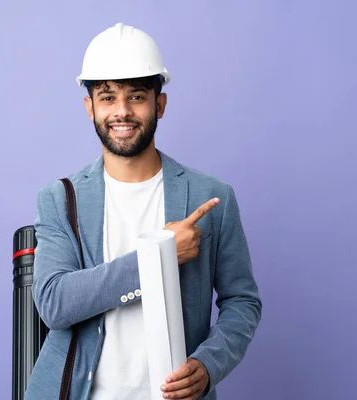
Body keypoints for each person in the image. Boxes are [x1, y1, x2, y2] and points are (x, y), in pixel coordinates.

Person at [24, 22, 262, 400]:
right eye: (107, 97)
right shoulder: (59, 198)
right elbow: (54, 303)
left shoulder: (212, 196)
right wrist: (160, 253)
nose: (122, 112)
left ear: (159, 104)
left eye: (136, 96)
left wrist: (209, 365)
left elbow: (242, 302)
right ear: (89, 108)